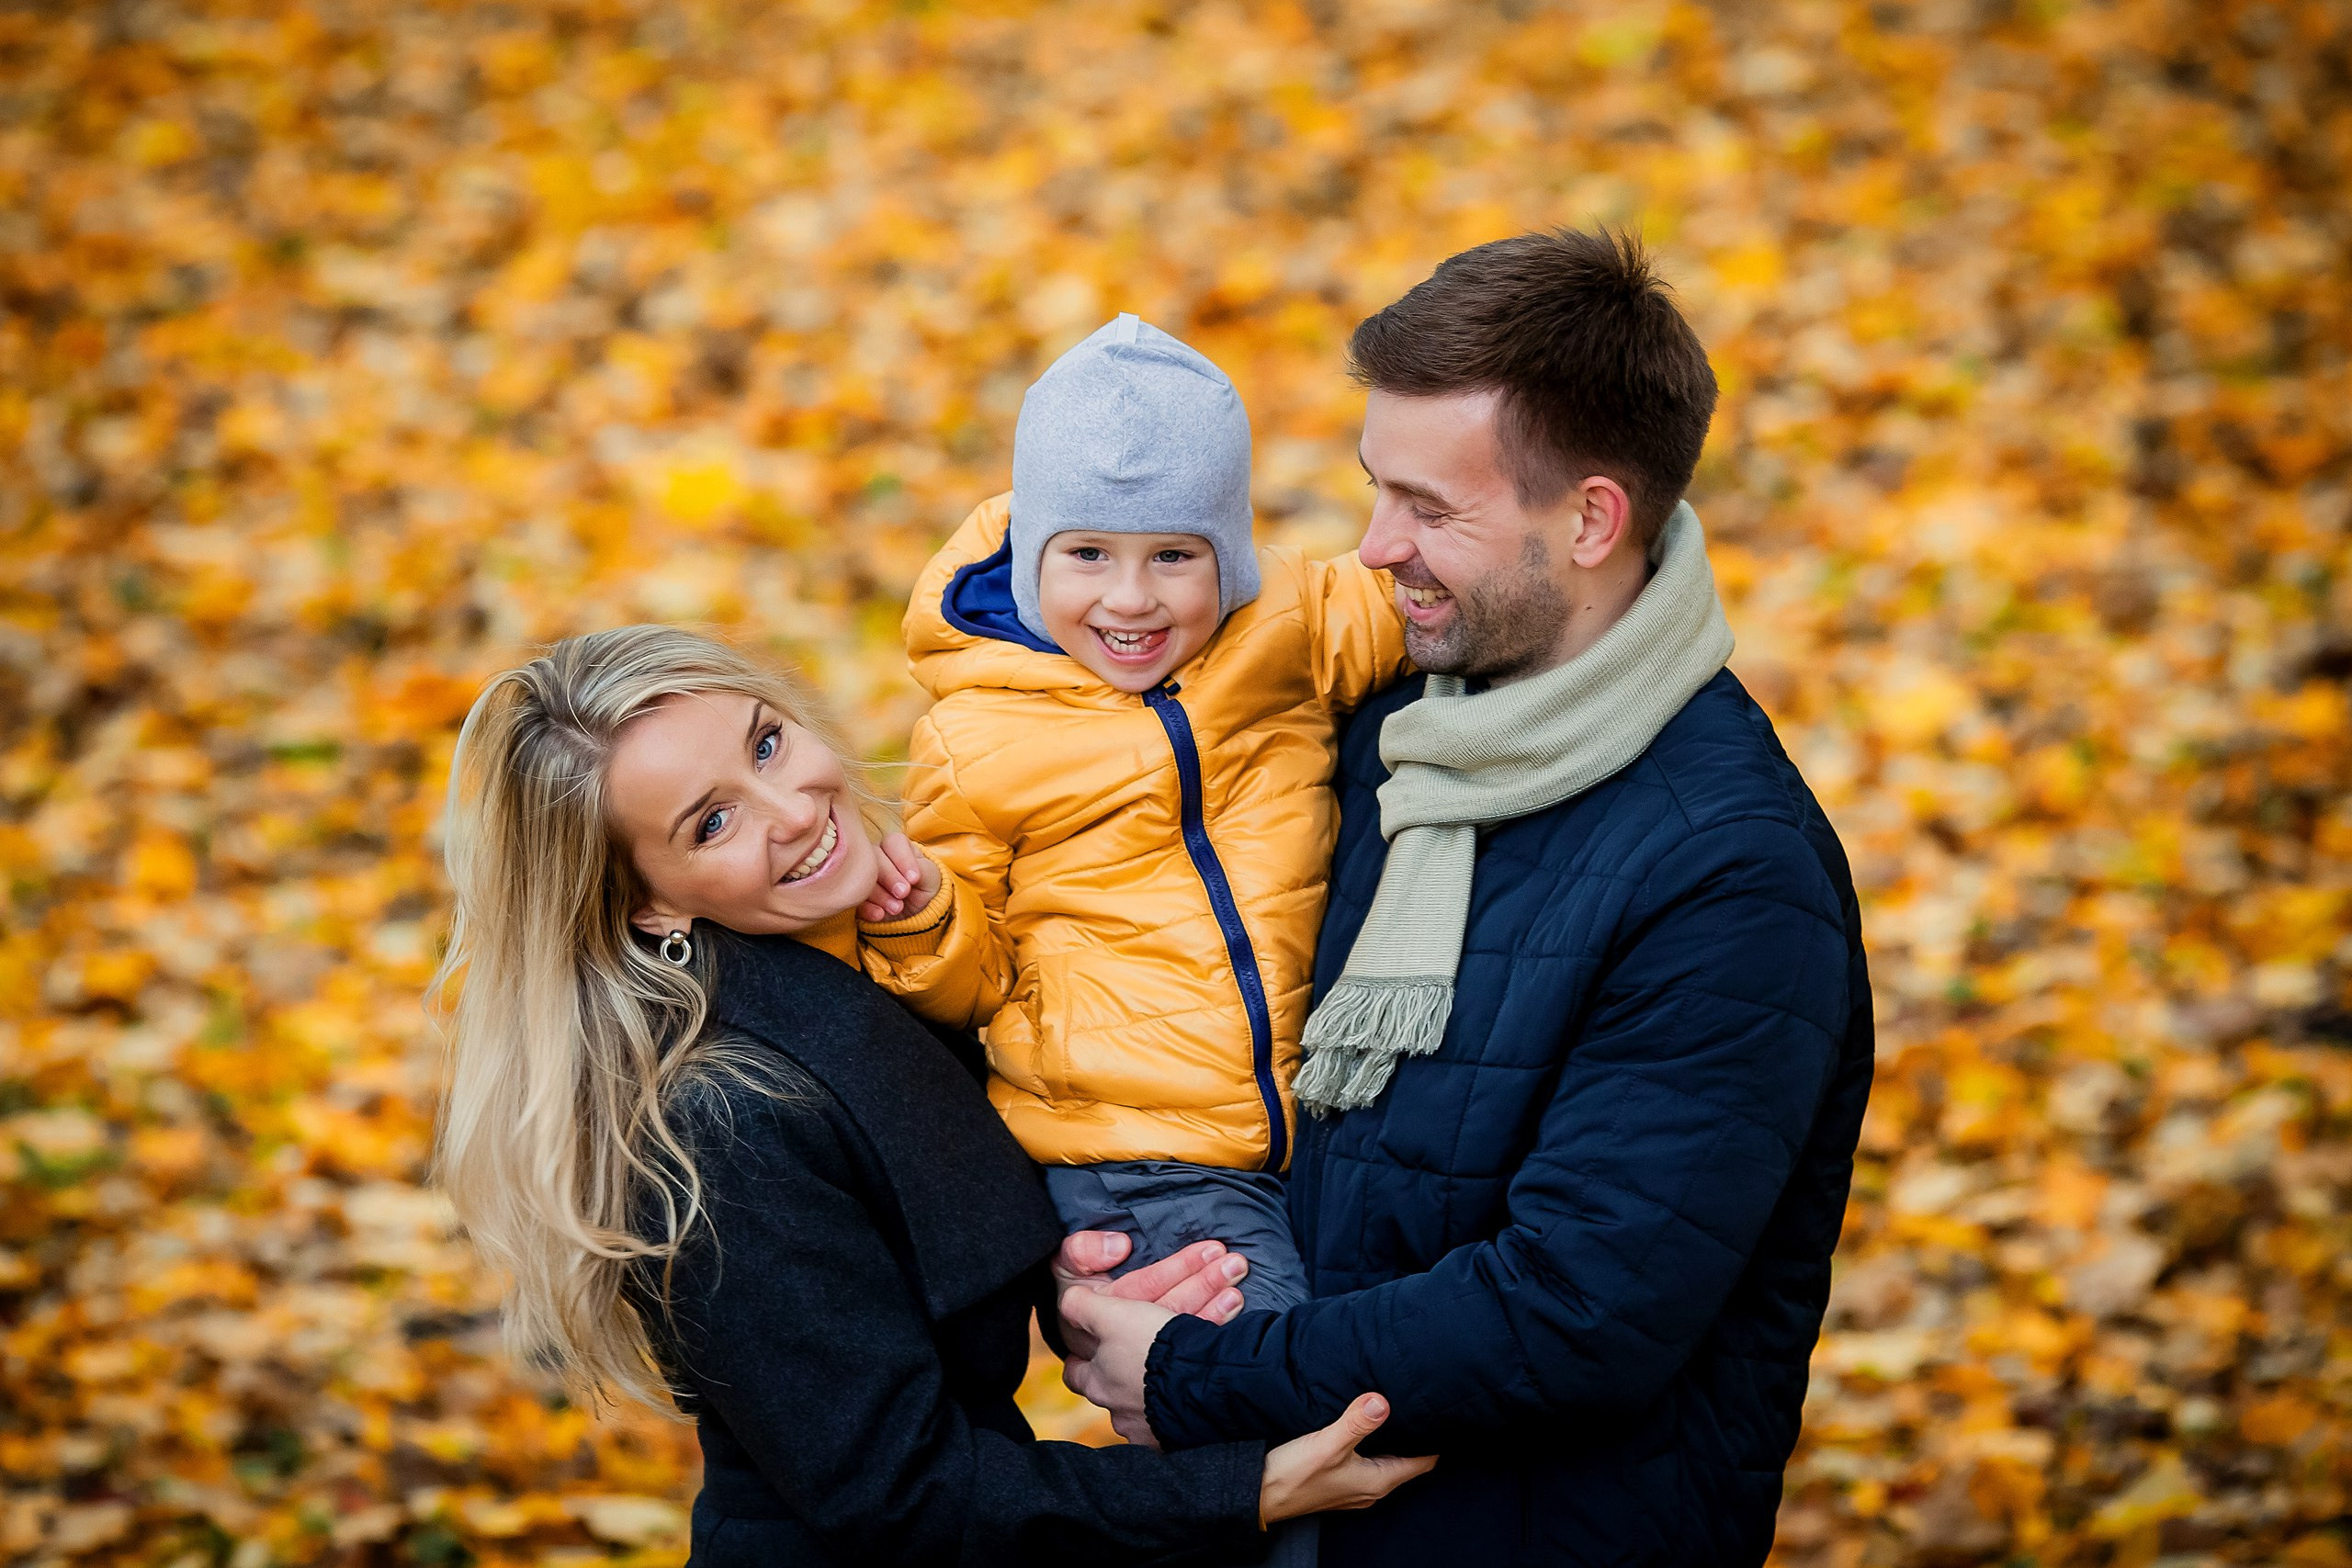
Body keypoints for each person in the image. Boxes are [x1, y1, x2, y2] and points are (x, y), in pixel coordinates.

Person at [1057, 229, 1877, 1567]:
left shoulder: (1733, 871)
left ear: (1593, 519)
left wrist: (1208, 1373)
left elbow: (1578, 1308)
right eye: (1376, 489)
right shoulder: (1382, 728)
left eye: (1432, 509)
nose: (1376, 548)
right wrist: (1131, 1258)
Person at [430, 625, 1434, 1567]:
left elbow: (911, 1237)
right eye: (714, 821)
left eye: (768, 743)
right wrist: (1244, 1488)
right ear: (652, 901)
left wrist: (1068, 1278)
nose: (794, 811)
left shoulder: (899, 956)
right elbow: (894, 1489)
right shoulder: (719, 1113)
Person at [841, 312, 1408, 1325]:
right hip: (1132, 1150)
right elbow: (978, 983)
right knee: (1263, 1361)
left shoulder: (1284, 623)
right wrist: (927, 920)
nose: (1132, 600)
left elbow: (1424, 600)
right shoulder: (976, 735)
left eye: (1174, 558)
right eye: (1089, 555)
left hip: (1313, 1116)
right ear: (1032, 558)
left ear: (1227, 557)